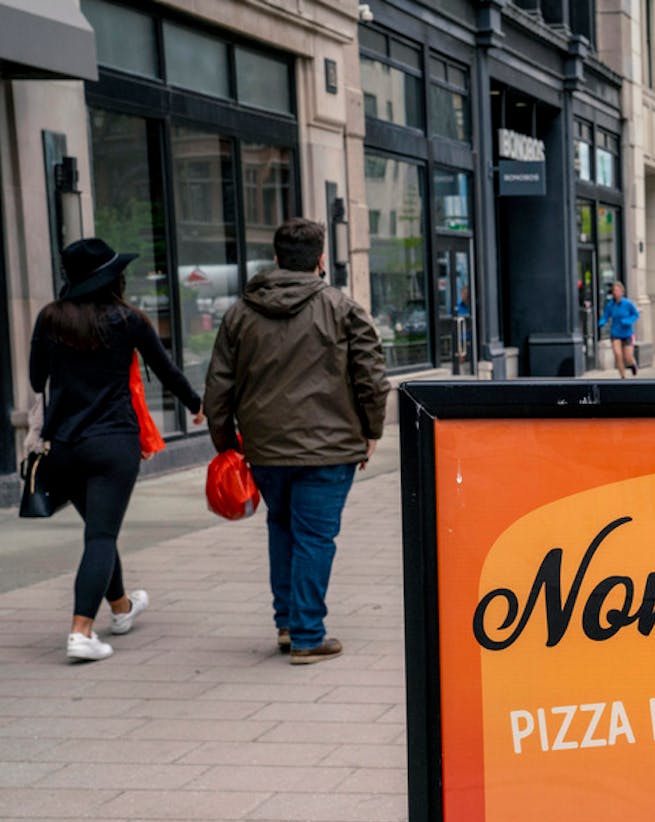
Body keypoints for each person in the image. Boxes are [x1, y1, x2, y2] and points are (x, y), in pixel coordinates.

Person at [205, 218, 389, 665]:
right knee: (315, 536)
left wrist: (226, 442)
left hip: (265, 448)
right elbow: (371, 379)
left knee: (282, 526)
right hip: (330, 446)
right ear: (321, 261)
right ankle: (308, 634)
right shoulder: (343, 309)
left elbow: (218, 387)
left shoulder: (240, 313)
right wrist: (372, 431)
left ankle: (287, 623)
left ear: (276, 259)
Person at [29, 238, 205, 662]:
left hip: (65, 445)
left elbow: (37, 380)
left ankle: (122, 608)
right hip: (112, 443)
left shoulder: (50, 318)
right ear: (112, 278)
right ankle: (81, 631)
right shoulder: (128, 320)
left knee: (99, 532)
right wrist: (198, 406)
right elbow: (167, 371)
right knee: (102, 535)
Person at [599, 280, 640, 378]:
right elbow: (606, 315)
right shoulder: (610, 305)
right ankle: (623, 377)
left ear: (622, 292)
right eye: (614, 291)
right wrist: (602, 321)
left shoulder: (627, 304)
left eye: (618, 290)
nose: (616, 293)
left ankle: (633, 365)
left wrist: (628, 321)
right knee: (618, 355)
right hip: (615, 333)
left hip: (627, 333)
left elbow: (636, 314)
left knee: (628, 357)